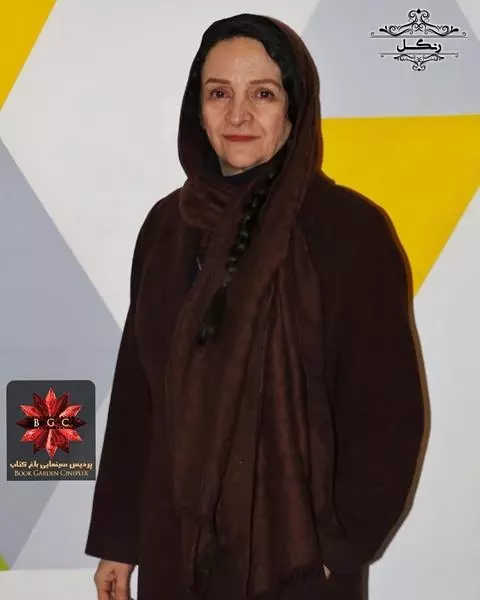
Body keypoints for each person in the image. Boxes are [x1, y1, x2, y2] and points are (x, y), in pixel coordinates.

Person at [85, 13, 424, 600]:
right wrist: (120, 539)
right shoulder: (167, 227)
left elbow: (387, 411)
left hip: (299, 563)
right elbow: (140, 391)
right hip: (175, 552)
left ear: (294, 108)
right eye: (219, 93)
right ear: (198, 108)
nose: (238, 115)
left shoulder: (350, 231)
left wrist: (340, 547)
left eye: (262, 94)